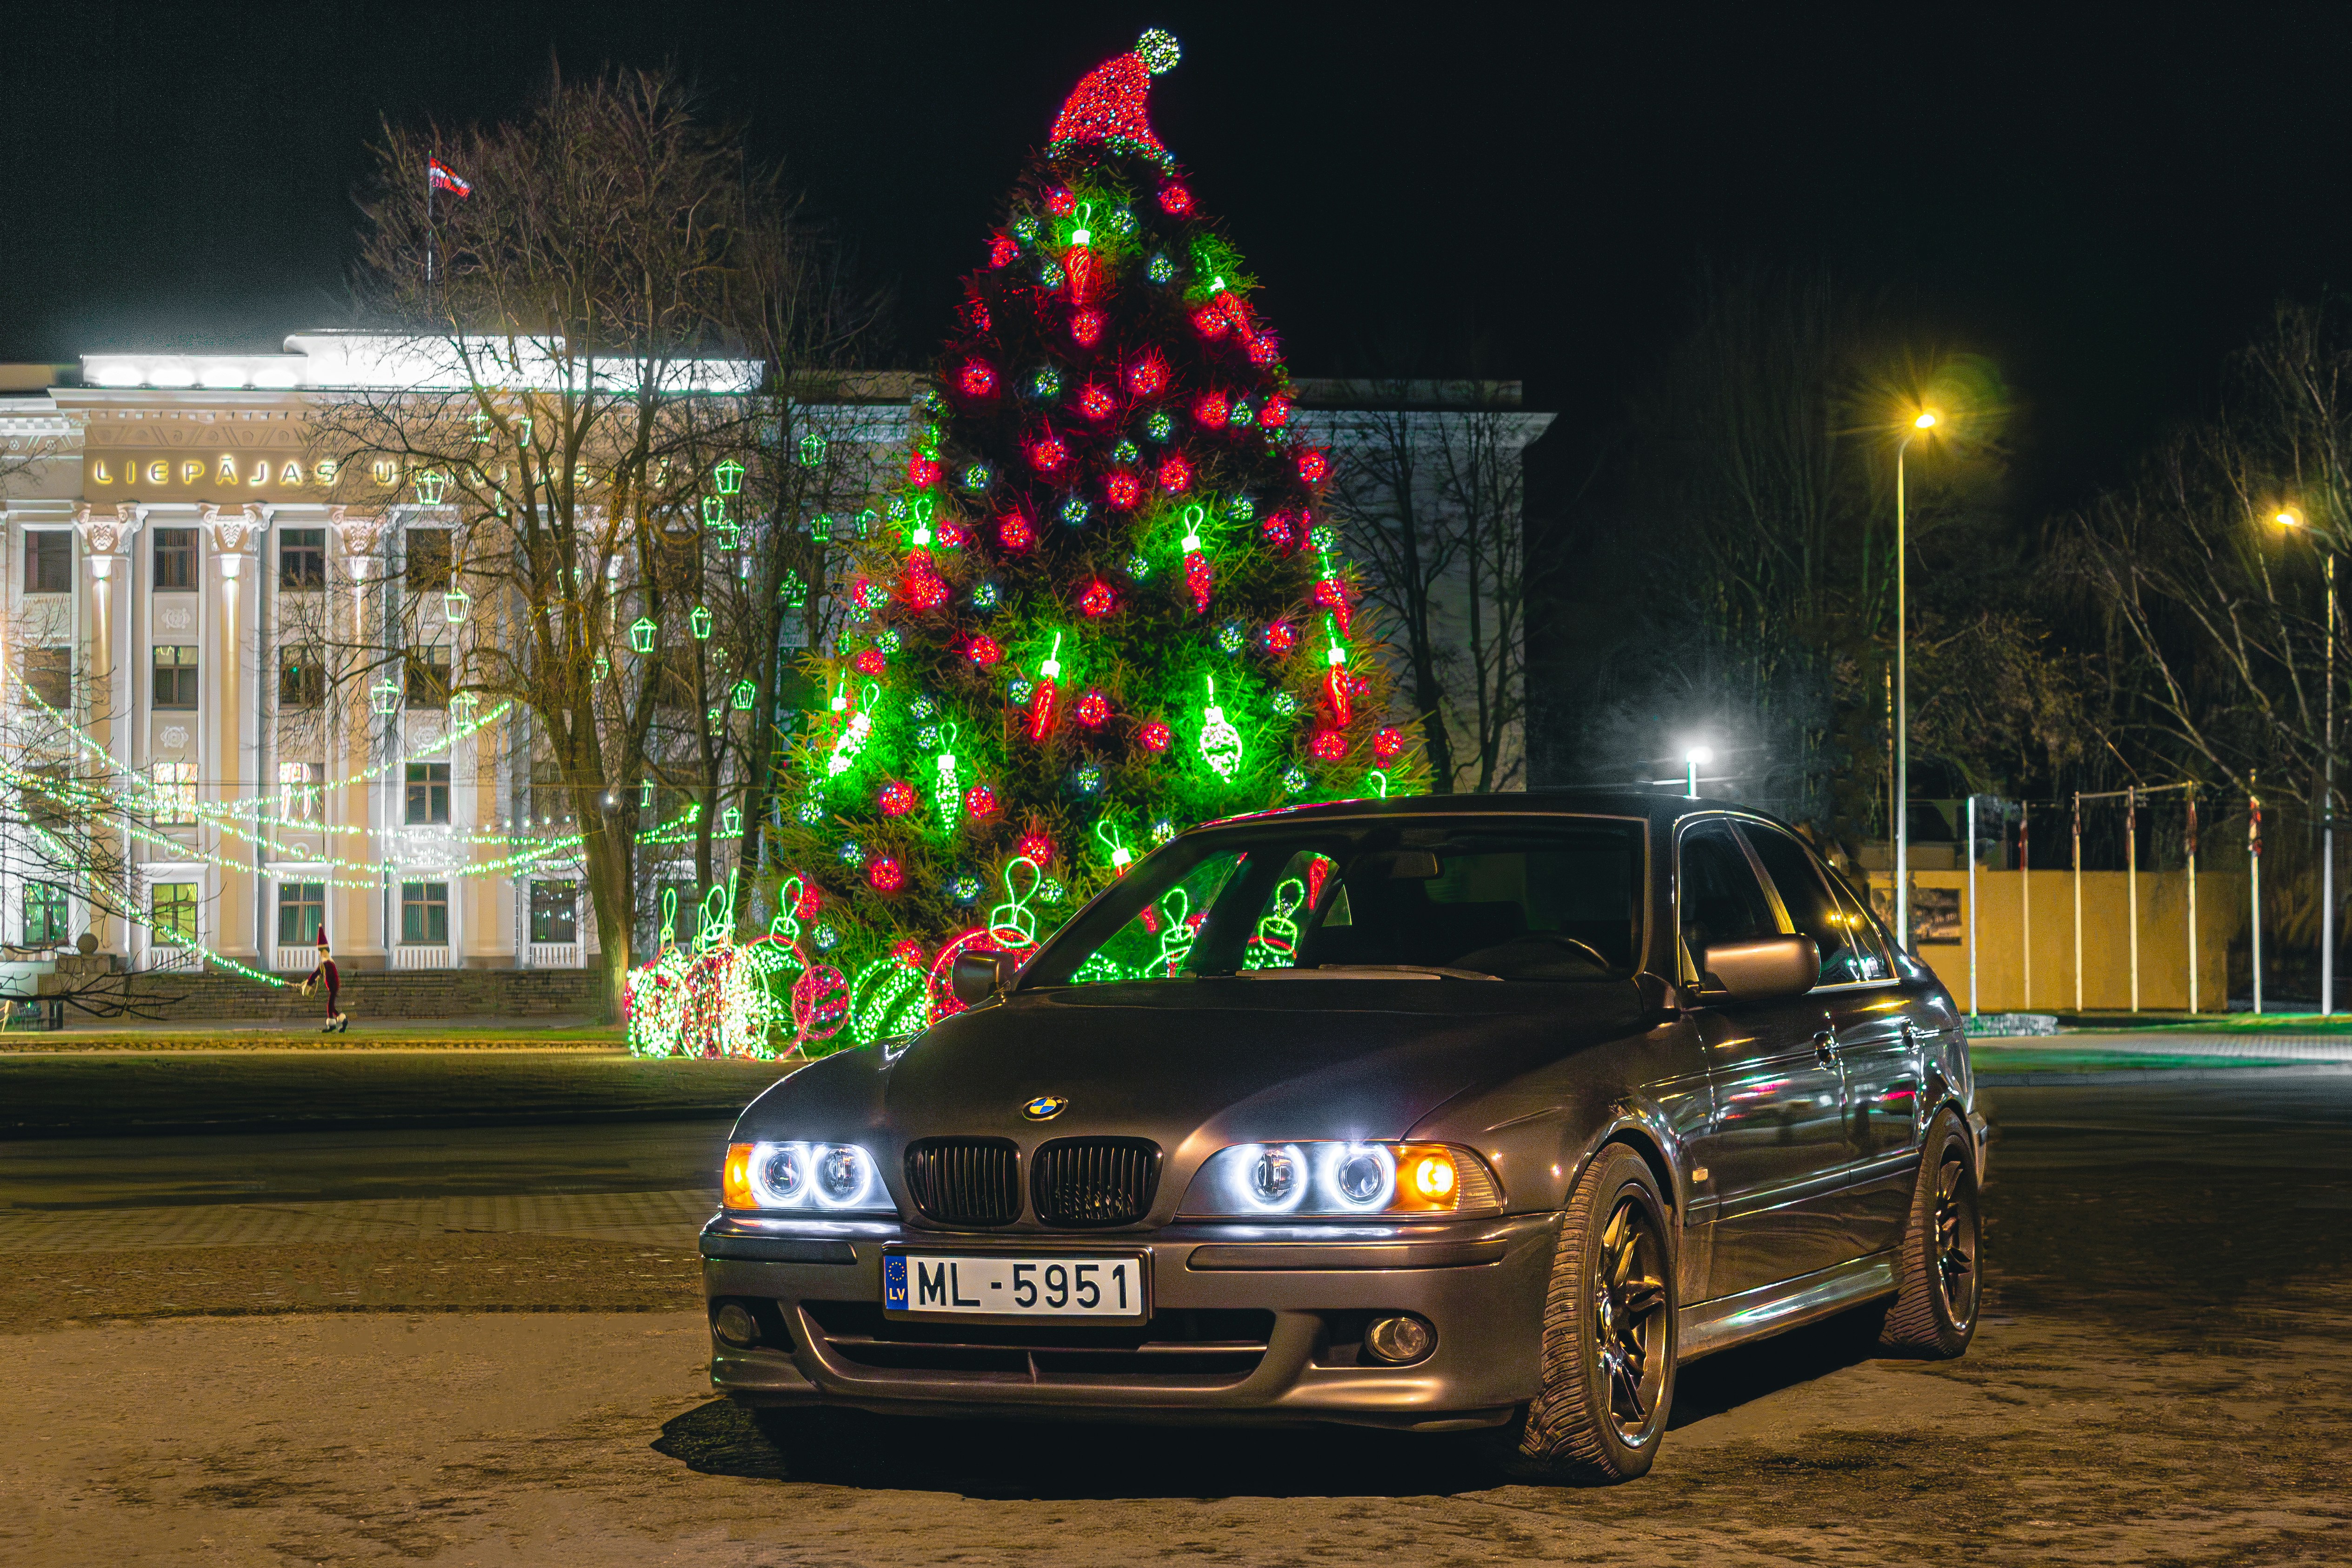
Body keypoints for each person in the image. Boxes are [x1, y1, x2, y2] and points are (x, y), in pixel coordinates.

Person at [300, 931, 347, 1033]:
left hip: (333, 987)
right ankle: (343, 1021)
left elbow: (316, 974)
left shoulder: (326, 964)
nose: (321, 954)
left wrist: (309, 984)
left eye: (321, 951)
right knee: (332, 1007)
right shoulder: (329, 962)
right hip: (333, 986)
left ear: (325, 951)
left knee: (330, 1007)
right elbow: (321, 973)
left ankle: (333, 1025)